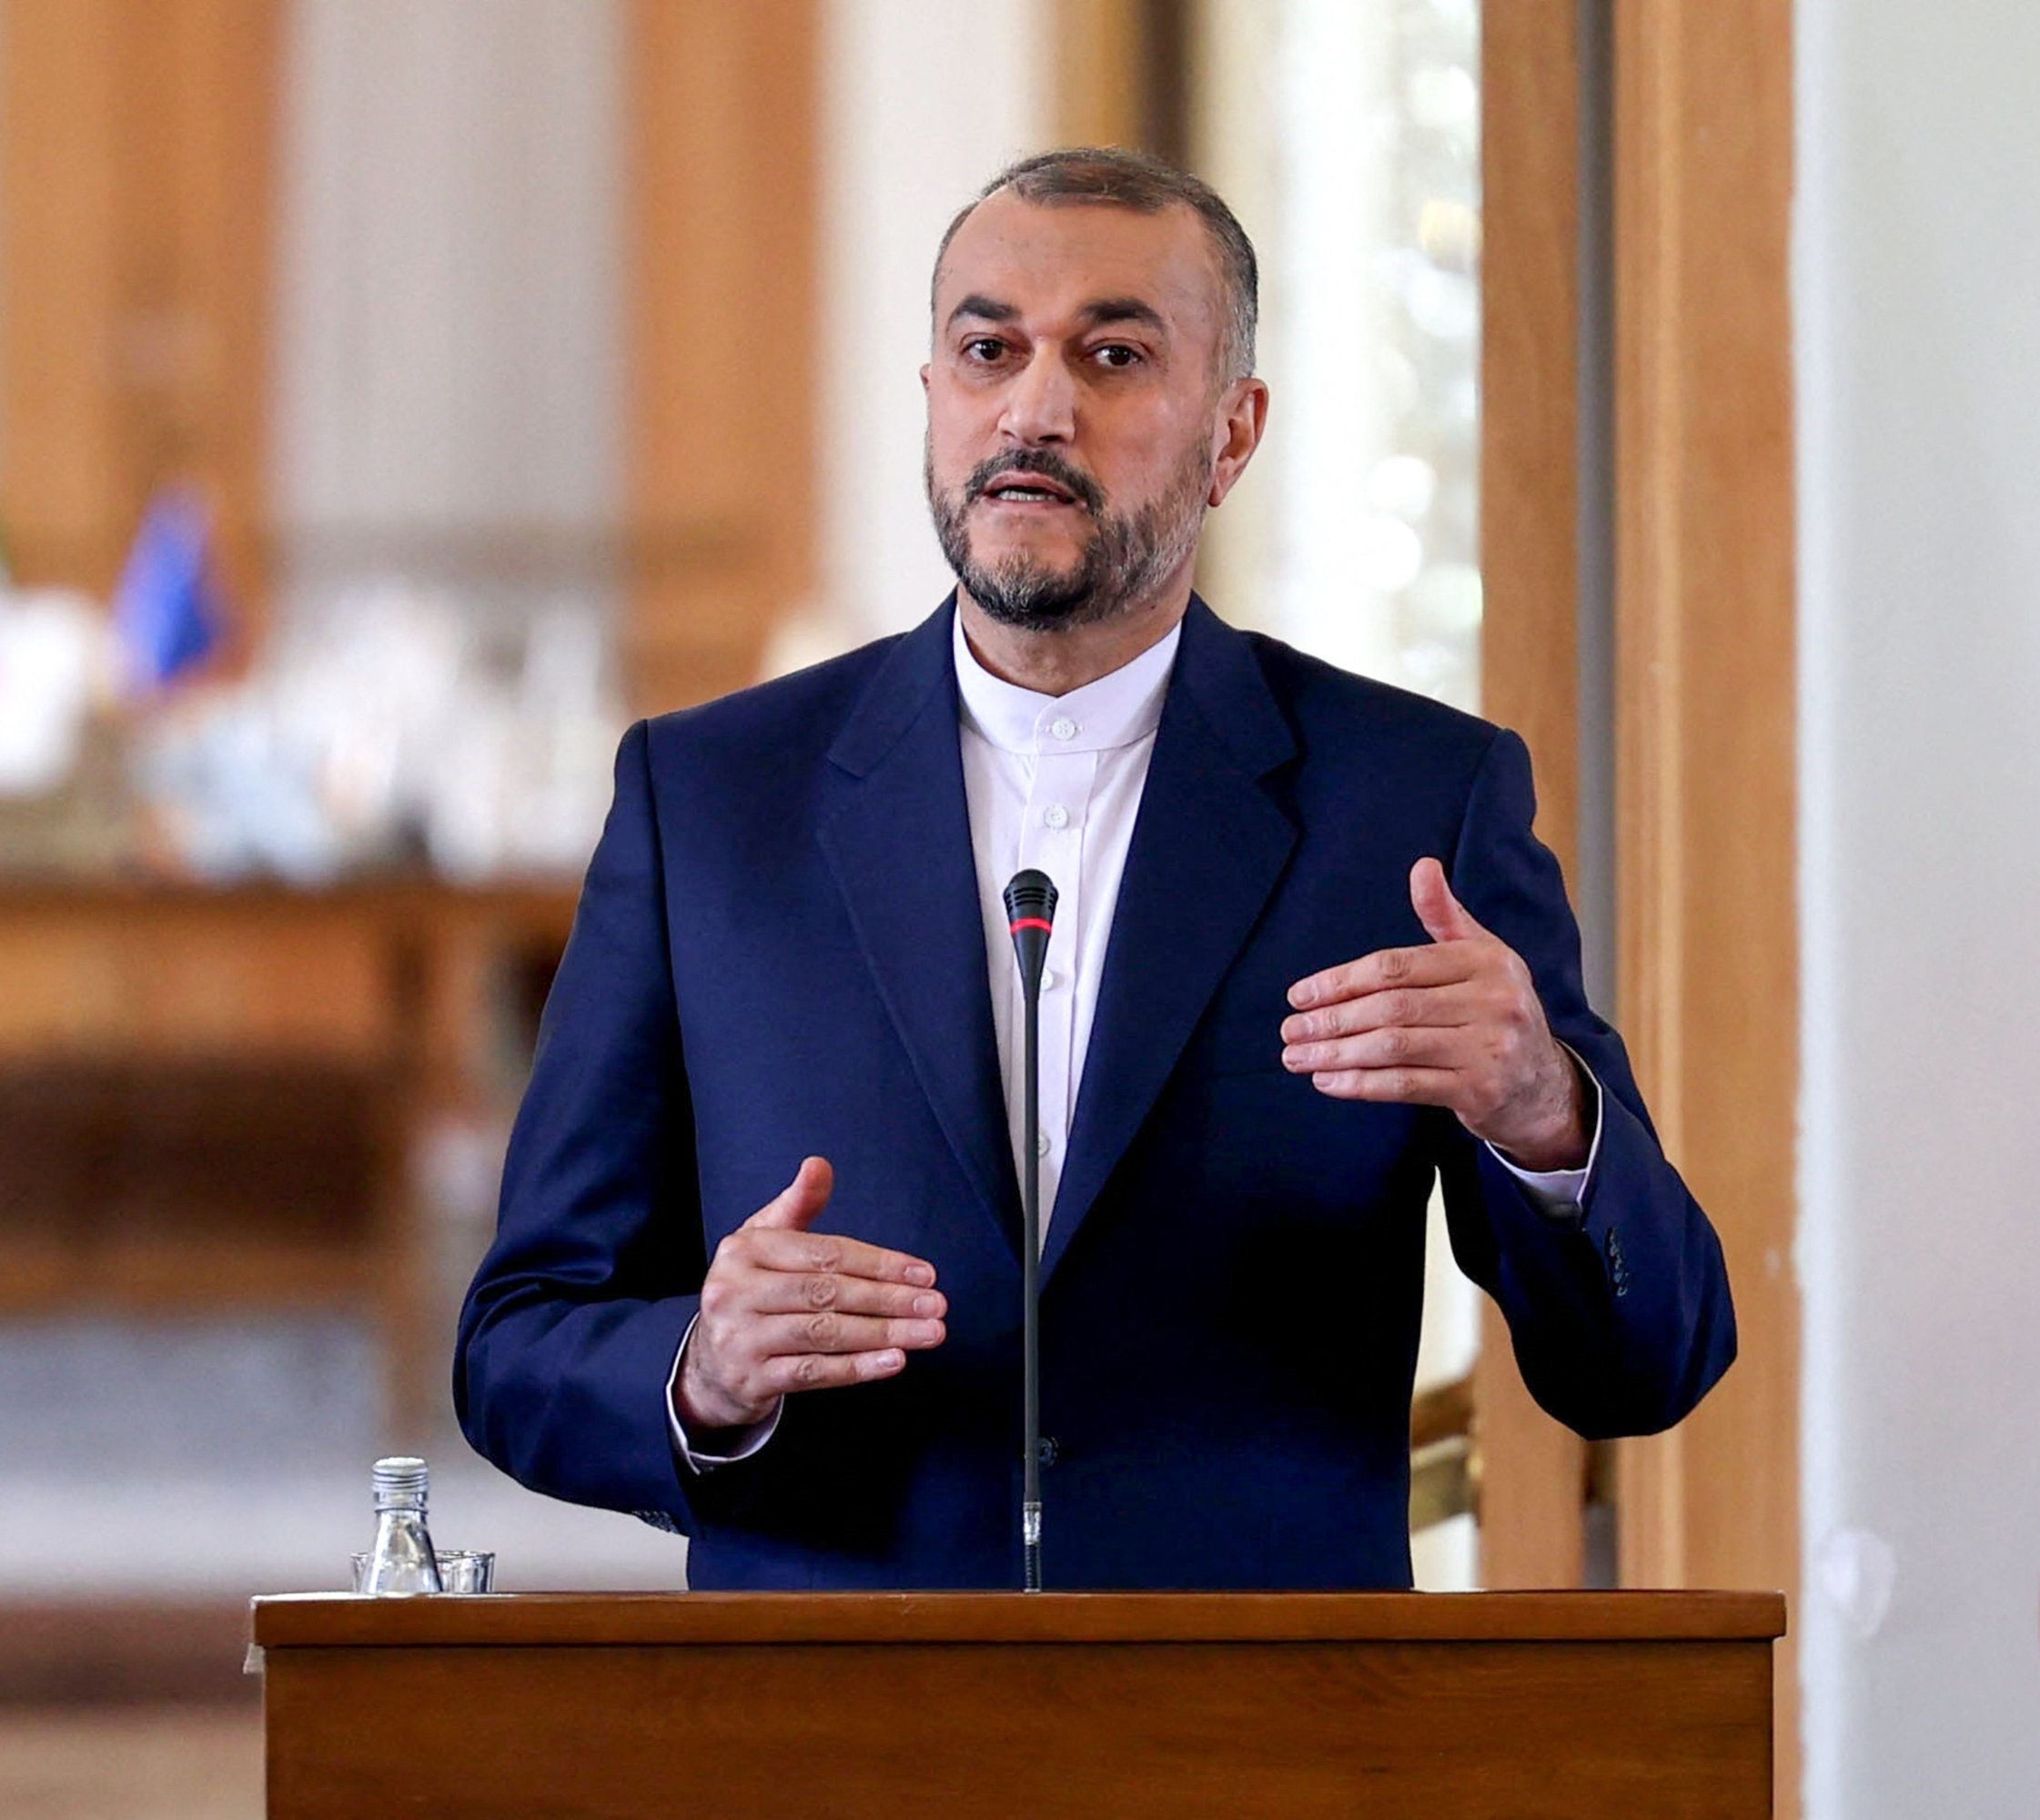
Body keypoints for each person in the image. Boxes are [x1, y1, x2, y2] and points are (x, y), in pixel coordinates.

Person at [455, 147, 1736, 1590]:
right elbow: (518, 1345)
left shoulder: (1412, 805)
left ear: (1232, 436)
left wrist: (1546, 1113)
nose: (1035, 409)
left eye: (1114, 355)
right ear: (933, 397)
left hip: (1256, 1702)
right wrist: (702, 1370)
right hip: (834, 1699)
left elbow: (1653, 1361)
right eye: (988, 351)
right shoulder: (707, 799)